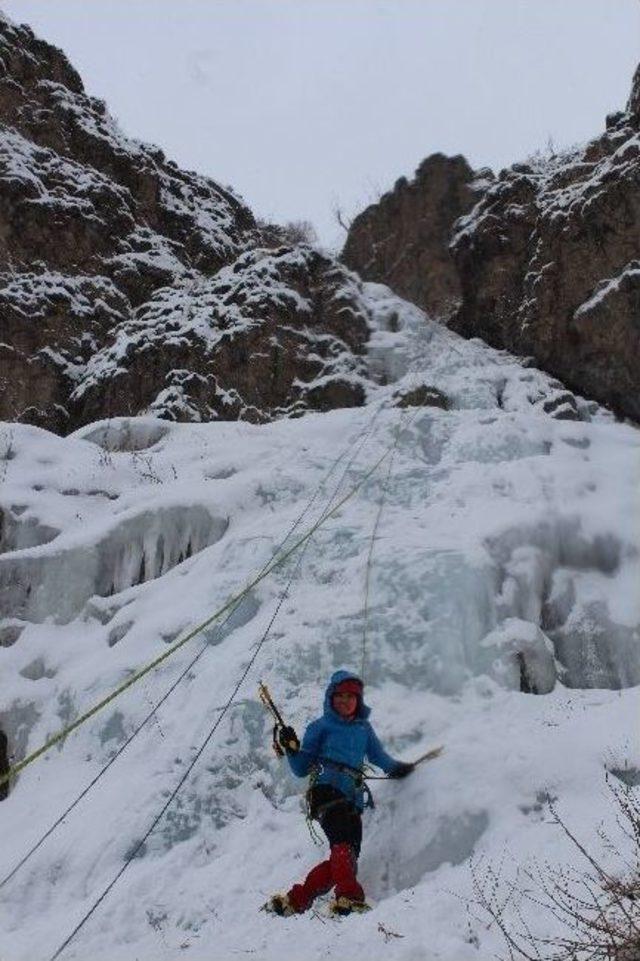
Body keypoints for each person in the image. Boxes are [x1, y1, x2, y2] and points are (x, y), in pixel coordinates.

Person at [266, 669, 414, 917]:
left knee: (347, 858)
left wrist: (399, 769)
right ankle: (349, 897)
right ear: (331, 698)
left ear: (358, 700)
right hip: (325, 792)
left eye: (351, 696)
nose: (345, 700)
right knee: (343, 845)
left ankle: (296, 900)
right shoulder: (320, 727)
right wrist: (292, 750)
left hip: (351, 801)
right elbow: (302, 768)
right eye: (340, 695)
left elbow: (379, 757)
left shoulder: (363, 729)